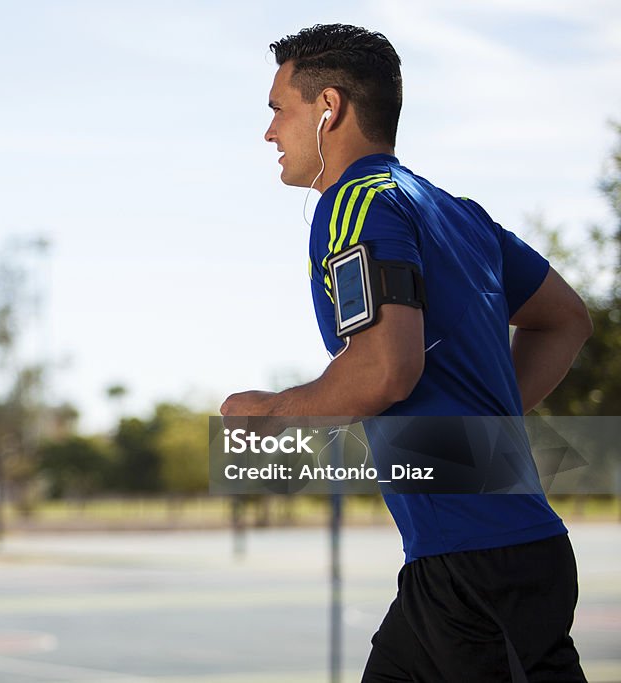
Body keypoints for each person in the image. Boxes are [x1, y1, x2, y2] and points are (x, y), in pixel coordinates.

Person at [219, 23, 592, 682]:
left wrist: (272, 411)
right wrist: (477, 433)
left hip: (480, 569)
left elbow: (386, 368)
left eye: (279, 109)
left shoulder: (354, 205)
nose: (270, 132)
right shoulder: (456, 212)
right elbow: (565, 319)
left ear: (328, 107)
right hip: (467, 563)